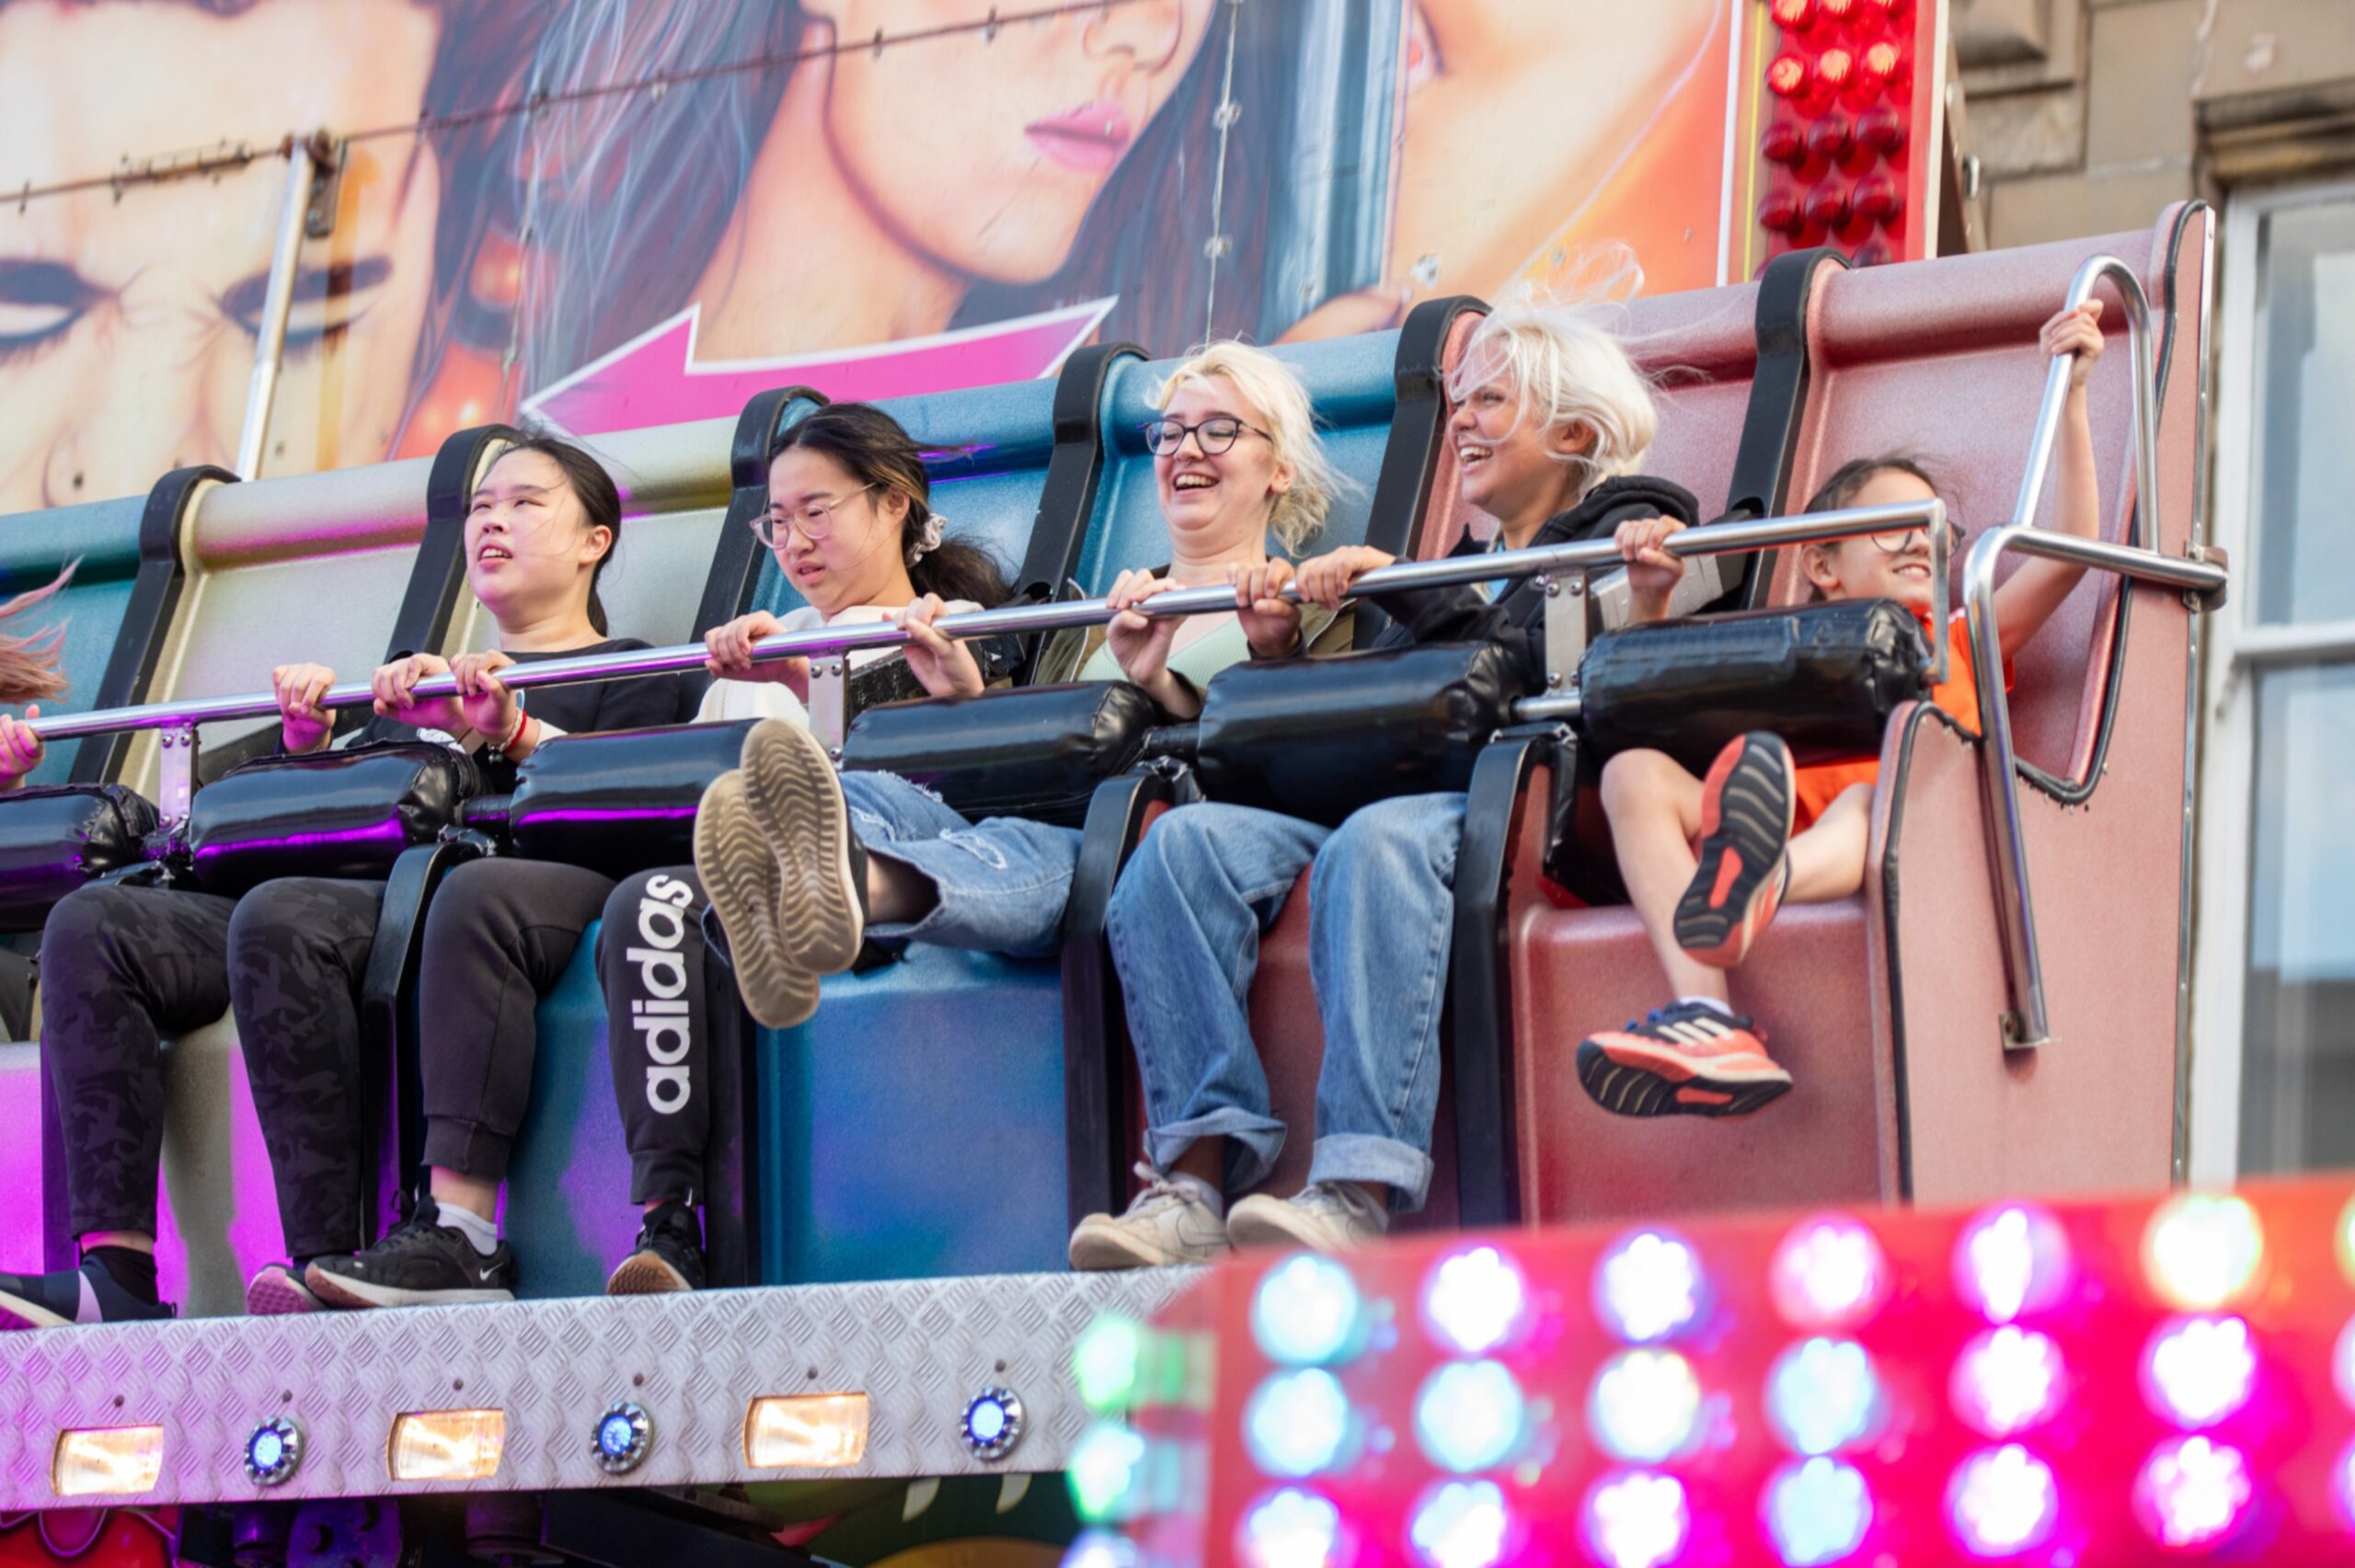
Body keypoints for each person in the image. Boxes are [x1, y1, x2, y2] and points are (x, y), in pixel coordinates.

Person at [295, 401, 1020, 1308]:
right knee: (582, 890)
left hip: (870, 874)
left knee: (658, 901)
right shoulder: (760, 643)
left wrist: (805, 690)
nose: (793, 539)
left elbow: (951, 779)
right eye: (778, 520)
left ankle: (679, 1217)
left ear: (894, 505)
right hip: (727, 874)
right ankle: (477, 1232)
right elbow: (673, 800)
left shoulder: (948, 628)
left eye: (817, 511)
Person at [0, 430, 692, 1330]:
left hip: (439, 903)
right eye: (482, 507)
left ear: (594, 539)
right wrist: (308, 745)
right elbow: (325, 815)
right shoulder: (405, 687)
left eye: (525, 503)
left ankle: (322, 1258)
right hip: (331, 890)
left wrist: (507, 726)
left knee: (284, 917)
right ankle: (116, 1275)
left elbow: (624, 806)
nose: (493, 522)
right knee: (96, 922)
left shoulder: (629, 669)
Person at [1066, 293, 1697, 1268]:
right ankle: (1191, 1173)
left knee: (1382, 840)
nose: (1463, 422)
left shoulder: (1631, 524)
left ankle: (1357, 1182)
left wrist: (1407, 587)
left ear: (1571, 429)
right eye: (1459, 403)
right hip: (1389, 788)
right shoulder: (1462, 564)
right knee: (1179, 846)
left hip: (1520, 803)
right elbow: (1384, 706)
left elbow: (1526, 674)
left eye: (1491, 402)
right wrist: (1288, 652)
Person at [684, 343, 1350, 1258]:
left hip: (1121, 832)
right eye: (1169, 431)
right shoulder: (1087, 612)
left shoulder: (1304, 602)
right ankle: (805, 888)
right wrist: (965, 694)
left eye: (1219, 430)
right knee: (852, 786)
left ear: (1278, 469)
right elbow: (1035, 747)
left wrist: (1180, 679)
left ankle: (838, 897)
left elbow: (1303, 763)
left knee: (1044, 850)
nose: (1185, 448)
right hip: (1035, 809)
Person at [1575, 302, 2108, 1116]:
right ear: (1822, 562)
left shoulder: (1961, 636)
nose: (1915, 545)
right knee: (1634, 770)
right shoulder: (1781, 646)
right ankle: (1708, 1014)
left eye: (1929, 531)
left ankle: (1758, 888)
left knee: (1874, 792)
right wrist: (1651, 600)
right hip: (1783, 824)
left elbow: (2071, 544)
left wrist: (2071, 390)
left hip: (1914, 839)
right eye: (1888, 526)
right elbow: (1658, 704)